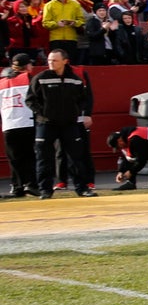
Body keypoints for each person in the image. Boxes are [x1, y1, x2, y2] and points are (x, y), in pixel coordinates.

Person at [27, 48, 95, 198]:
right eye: (49, 60)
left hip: (69, 124)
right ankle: (45, 190)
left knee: (76, 157)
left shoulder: (75, 79)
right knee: (44, 157)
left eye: (55, 60)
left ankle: (82, 189)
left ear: (65, 61)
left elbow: (83, 99)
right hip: (46, 124)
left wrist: (76, 112)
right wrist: (42, 113)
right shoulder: (40, 78)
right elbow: (30, 100)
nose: (51, 63)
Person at [1, 53, 37, 197]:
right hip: (27, 121)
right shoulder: (28, 78)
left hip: (8, 124)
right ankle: (32, 185)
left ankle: (17, 187)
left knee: (14, 159)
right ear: (27, 66)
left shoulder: (1, 82)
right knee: (30, 156)